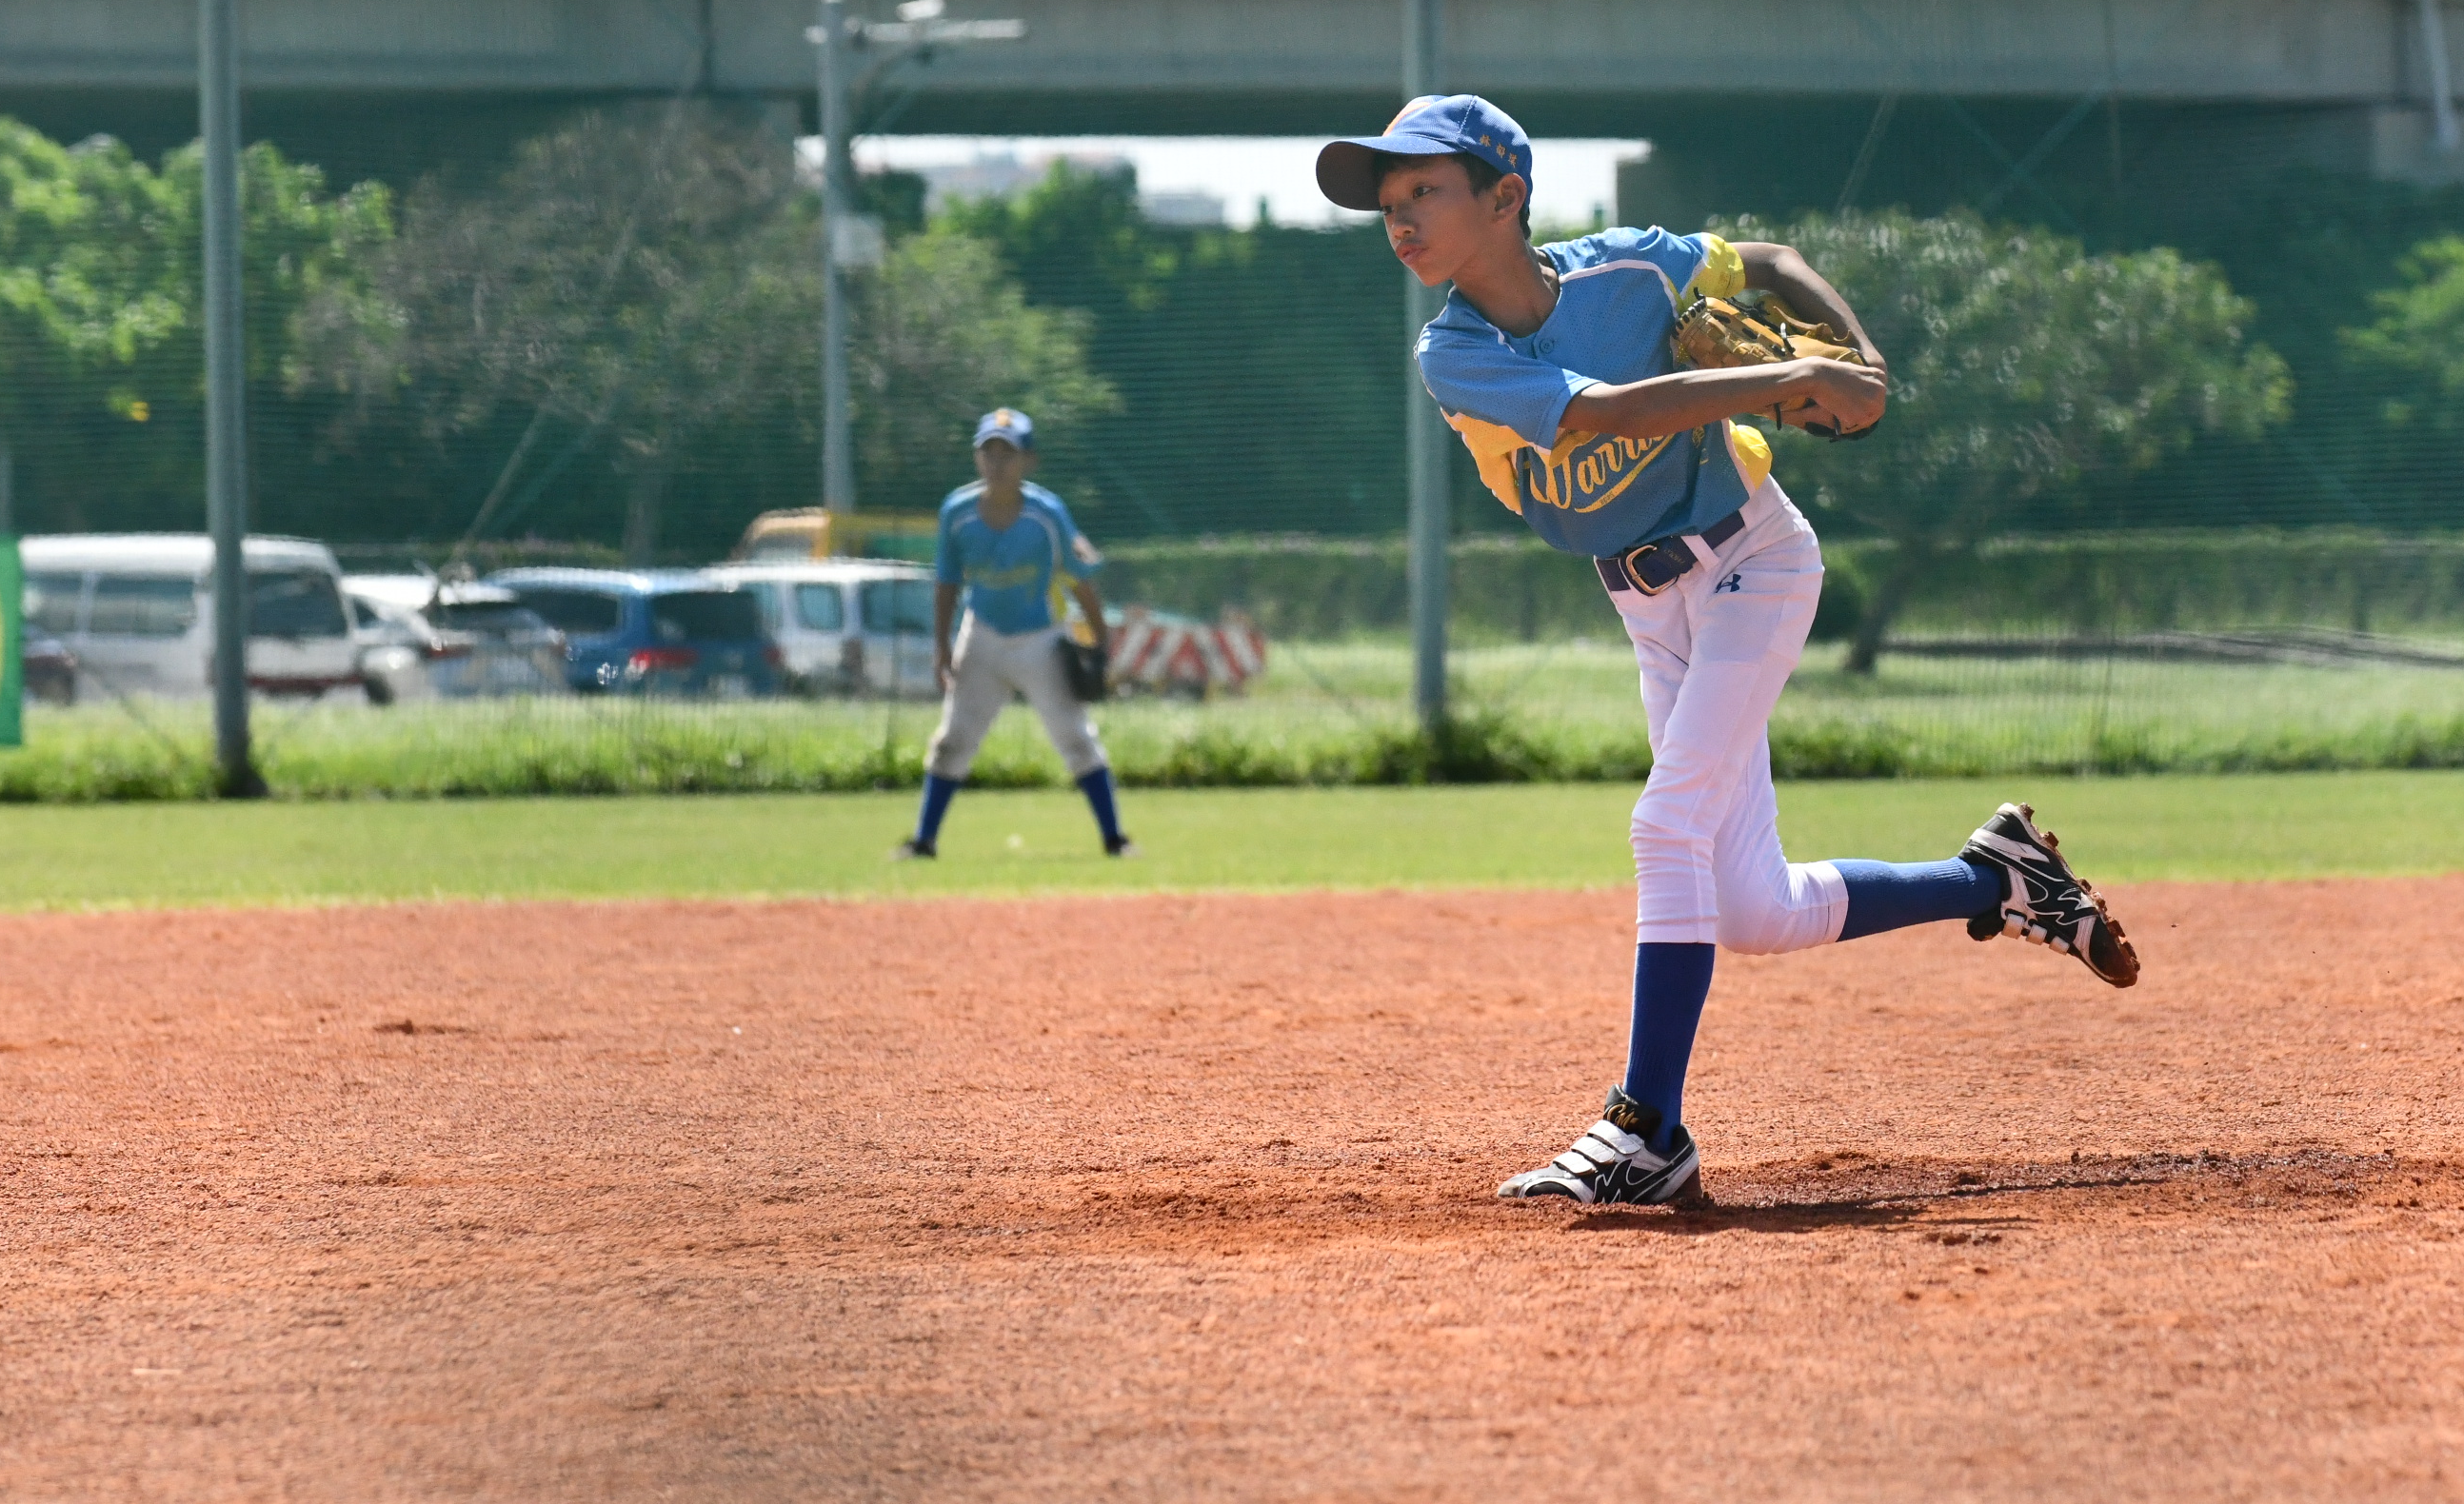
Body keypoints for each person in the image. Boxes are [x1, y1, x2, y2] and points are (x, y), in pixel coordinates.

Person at [1316, 93, 2136, 1209]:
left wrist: (1859, 360)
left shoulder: (1629, 268)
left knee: (1666, 825)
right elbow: (1609, 413)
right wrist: (1790, 381)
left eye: (1424, 189)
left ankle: (1647, 1131)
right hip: (1649, 606)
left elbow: (1773, 262)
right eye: (1387, 200)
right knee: (1754, 911)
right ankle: (1997, 876)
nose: (1399, 216)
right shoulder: (1454, 349)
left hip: (1755, 560)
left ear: (1506, 197)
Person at [898, 406, 1130, 863]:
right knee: (953, 740)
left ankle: (1115, 840)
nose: (997, 462)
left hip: (1042, 640)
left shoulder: (1047, 514)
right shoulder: (957, 513)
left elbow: (1080, 578)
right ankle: (923, 841)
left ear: (1029, 461)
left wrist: (1102, 639)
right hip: (982, 635)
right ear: (977, 458)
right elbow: (947, 581)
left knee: (1075, 737)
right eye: (989, 452)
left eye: (1008, 453)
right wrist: (942, 645)